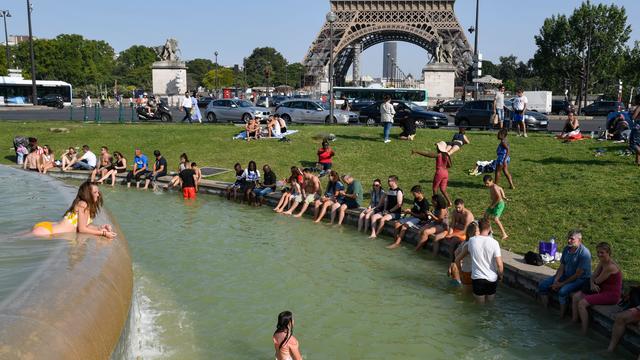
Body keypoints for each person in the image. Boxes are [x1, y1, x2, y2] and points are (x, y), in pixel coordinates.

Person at [32, 181, 117, 239]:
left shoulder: (84, 204)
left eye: (98, 192)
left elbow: (84, 226)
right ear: (88, 194)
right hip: (46, 231)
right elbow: (82, 229)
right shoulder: (83, 205)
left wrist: (100, 228)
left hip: (48, 228)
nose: (98, 195)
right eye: (95, 192)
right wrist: (104, 234)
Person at [538, 229, 592, 318]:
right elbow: (562, 266)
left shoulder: (584, 253)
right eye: (568, 238)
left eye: (572, 239)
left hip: (580, 279)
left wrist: (561, 284)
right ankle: (545, 310)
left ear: (579, 240)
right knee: (542, 286)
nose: (568, 241)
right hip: (566, 275)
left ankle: (561, 316)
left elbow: (577, 274)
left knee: (562, 291)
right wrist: (556, 281)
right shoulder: (567, 249)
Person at [571, 242, 622, 334]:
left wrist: (593, 283)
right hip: (600, 289)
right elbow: (593, 276)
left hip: (611, 295)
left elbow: (597, 281)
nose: (599, 255)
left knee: (582, 304)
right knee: (575, 297)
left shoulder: (610, 266)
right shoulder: (603, 262)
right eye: (598, 252)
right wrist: (591, 283)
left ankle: (584, 331)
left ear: (608, 253)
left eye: (602, 252)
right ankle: (574, 320)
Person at [455, 218, 504, 304]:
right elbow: (499, 264)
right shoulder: (495, 242)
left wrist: (460, 272)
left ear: (479, 229)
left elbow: (457, 258)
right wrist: (500, 276)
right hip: (492, 278)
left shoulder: (472, 241)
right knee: (490, 304)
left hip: (478, 278)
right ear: (489, 229)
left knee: (479, 306)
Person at [387, 185, 429, 249]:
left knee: (404, 226)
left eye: (414, 194)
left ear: (419, 192)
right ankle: (395, 241)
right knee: (397, 224)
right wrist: (408, 210)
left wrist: (411, 212)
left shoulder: (425, 203)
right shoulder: (416, 199)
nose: (413, 195)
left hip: (420, 219)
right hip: (413, 216)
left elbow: (422, 216)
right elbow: (415, 209)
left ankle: (397, 244)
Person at [411, 142, 453, 207]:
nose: (436, 147)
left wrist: (417, 151)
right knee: (443, 189)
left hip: (439, 173)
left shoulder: (439, 155)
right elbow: (450, 165)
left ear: (439, 148)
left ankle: (436, 203)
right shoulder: (447, 155)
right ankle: (449, 202)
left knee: (435, 188)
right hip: (446, 173)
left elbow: (428, 154)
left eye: (437, 146)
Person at [450, 221, 479, 287]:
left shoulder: (465, 242)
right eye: (478, 231)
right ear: (475, 233)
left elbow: (456, 252)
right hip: (470, 271)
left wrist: (459, 264)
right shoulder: (473, 243)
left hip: (464, 269)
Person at [483, 175, 509, 240]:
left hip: (499, 204)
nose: (486, 185)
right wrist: (504, 195)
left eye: (487, 183)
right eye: (485, 183)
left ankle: (504, 234)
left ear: (491, 181)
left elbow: (499, 198)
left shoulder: (494, 187)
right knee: (486, 215)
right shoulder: (493, 186)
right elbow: (500, 188)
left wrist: (493, 205)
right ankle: (490, 230)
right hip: (493, 203)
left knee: (495, 219)